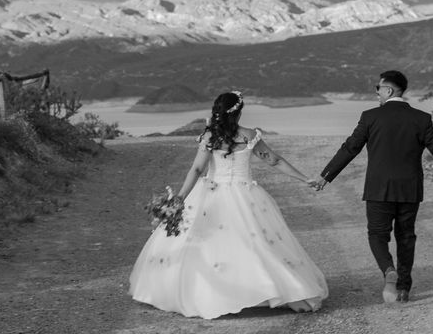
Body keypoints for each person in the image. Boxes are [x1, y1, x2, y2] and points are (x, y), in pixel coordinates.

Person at [129, 91, 328, 319]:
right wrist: (305, 179)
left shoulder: (210, 137)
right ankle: (282, 291)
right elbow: (275, 160)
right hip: (245, 195)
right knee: (258, 244)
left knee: (206, 245)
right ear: (239, 111)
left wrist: (180, 198)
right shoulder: (249, 135)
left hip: (211, 194)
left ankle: (209, 293)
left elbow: (196, 170)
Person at [314, 70, 433, 303]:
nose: (376, 92)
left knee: (377, 234)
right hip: (410, 189)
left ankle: (388, 270)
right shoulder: (421, 119)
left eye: (378, 88)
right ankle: (404, 288)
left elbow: (350, 148)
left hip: (378, 189)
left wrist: (326, 176)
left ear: (388, 90)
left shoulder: (370, 117)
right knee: (406, 236)